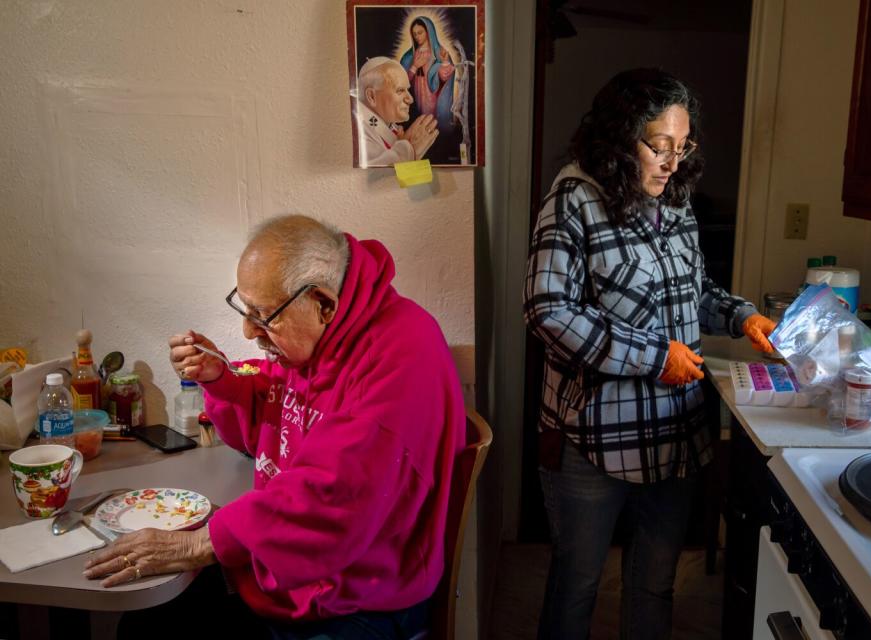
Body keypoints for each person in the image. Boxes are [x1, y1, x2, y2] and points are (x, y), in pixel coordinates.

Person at [84, 214, 466, 639]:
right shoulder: (324, 335)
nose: (249, 332)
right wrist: (221, 380)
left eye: (263, 316)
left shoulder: (401, 354)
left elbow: (333, 497)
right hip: (293, 577)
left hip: (359, 599)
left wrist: (199, 544)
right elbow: (275, 416)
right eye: (246, 310)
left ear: (323, 304)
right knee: (145, 625)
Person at [522, 68, 776, 640]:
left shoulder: (677, 201)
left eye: (682, 147)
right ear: (619, 138)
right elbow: (546, 310)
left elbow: (693, 292)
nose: (672, 161)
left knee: (655, 583)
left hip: (675, 434)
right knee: (576, 585)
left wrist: (742, 316)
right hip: (594, 437)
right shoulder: (574, 198)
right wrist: (653, 357)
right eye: (659, 147)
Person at [356, 56, 438, 167]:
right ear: (371, 96)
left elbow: (409, 182)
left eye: (407, 90)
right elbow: (375, 180)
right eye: (400, 90)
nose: (410, 99)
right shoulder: (361, 133)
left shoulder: (389, 127)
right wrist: (409, 149)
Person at [400, 17, 455, 130]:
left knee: (431, 122)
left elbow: (445, 77)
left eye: (420, 33)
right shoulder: (410, 56)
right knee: (419, 121)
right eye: (414, 34)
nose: (417, 37)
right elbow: (402, 81)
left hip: (433, 95)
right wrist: (414, 66)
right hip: (416, 94)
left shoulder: (439, 52)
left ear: (428, 31)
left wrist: (444, 62)